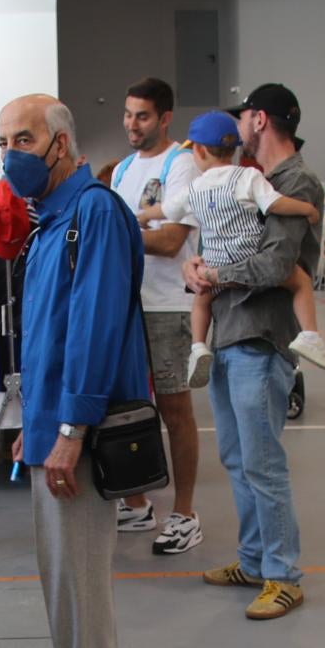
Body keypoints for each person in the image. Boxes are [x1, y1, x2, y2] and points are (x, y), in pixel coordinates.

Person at [0, 93, 150, 648]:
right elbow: (48, 337)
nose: (11, 155)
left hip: (76, 434)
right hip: (51, 424)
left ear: (60, 142)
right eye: (2, 140)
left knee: (78, 575)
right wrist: (35, 421)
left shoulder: (94, 214)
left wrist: (70, 431)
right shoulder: (53, 219)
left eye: (23, 140)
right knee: (61, 571)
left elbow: (94, 329)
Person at [183, 83, 319, 622]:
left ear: (258, 120)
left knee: (263, 464)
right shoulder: (241, 181)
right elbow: (216, 241)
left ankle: (283, 575)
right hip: (229, 331)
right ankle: (256, 559)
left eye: (241, 117)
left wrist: (214, 275)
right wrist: (196, 268)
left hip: (262, 337)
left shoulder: (294, 182)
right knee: (238, 459)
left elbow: (276, 267)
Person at [145, 111, 325, 380]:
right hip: (248, 254)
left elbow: (164, 211)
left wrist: (140, 217)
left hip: (214, 260)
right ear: (233, 149)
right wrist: (307, 208)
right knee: (300, 281)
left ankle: (198, 346)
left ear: (198, 150)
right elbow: (275, 204)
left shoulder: (193, 189)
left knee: (201, 299)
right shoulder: (247, 177)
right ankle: (310, 335)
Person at [106, 77, 204, 555]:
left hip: (168, 307)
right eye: (127, 114)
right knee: (127, 408)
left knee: (175, 411)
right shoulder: (122, 169)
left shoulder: (180, 165)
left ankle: (184, 514)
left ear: (165, 118)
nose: (131, 124)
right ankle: (138, 502)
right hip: (127, 304)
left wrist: (114, 235)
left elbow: (169, 242)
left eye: (141, 116)